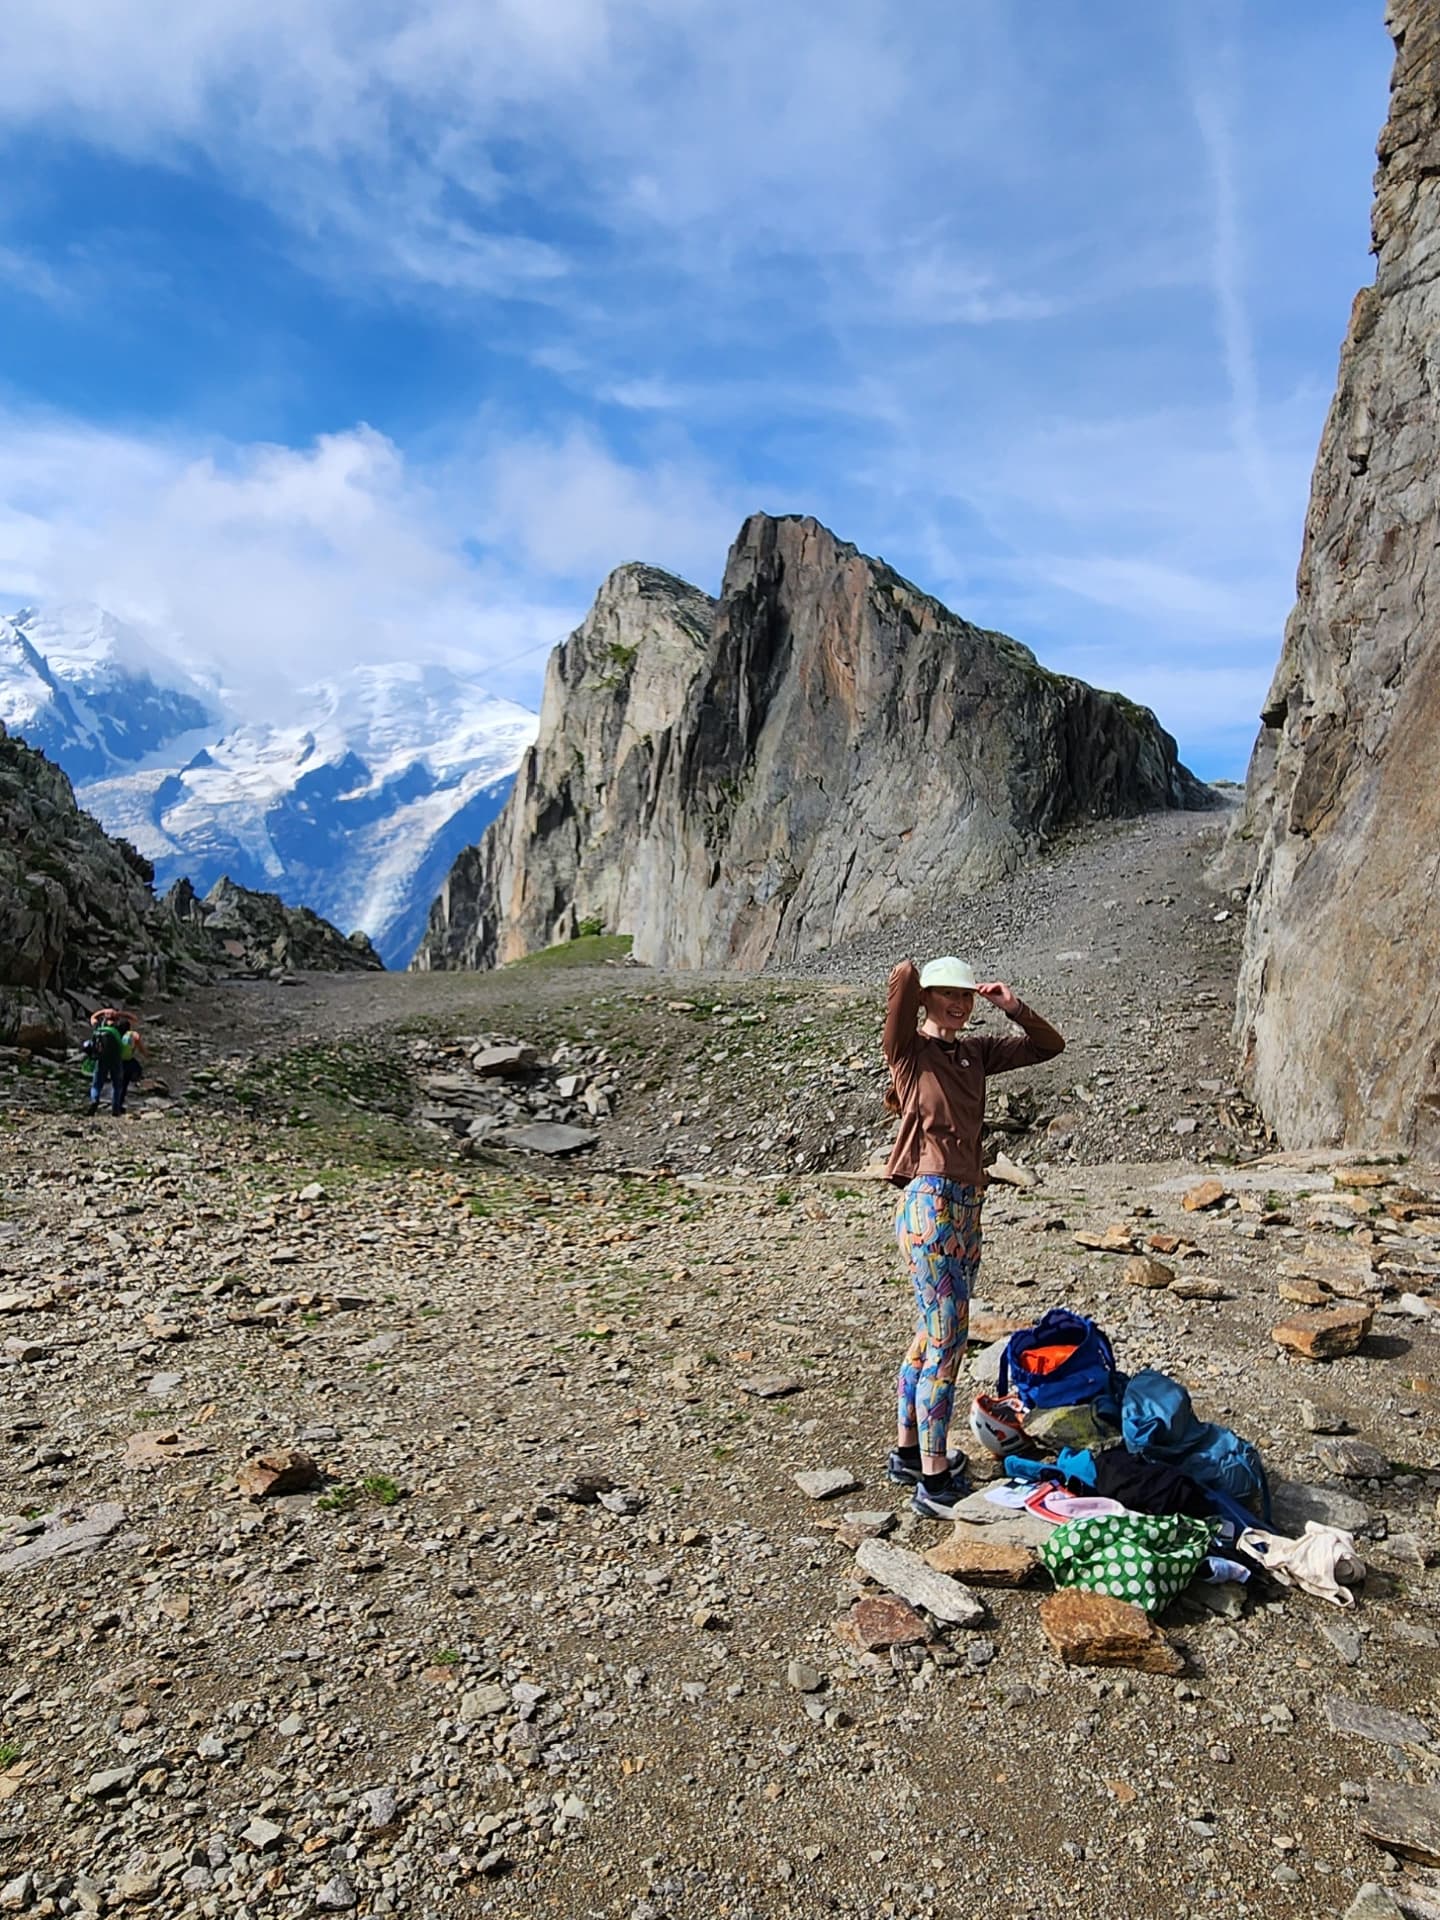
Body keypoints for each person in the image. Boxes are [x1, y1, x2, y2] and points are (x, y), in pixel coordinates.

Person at [882, 956, 1065, 1520]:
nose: (960, 1005)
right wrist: (918, 974)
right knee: (947, 1345)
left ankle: (909, 1453)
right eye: (948, 996)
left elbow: (1048, 1046)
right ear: (929, 999)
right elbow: (900, 989)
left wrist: (1011, 1007)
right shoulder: (909, 1052)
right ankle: (935, 1481)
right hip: (930, 1203)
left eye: (966, 997)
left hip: (967, 1205)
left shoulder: (976, 1052)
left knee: (929, 1335)